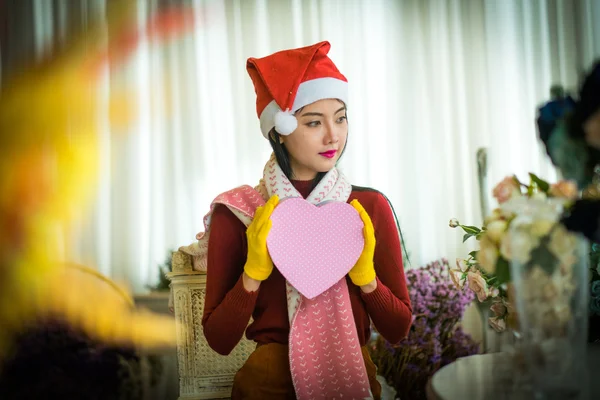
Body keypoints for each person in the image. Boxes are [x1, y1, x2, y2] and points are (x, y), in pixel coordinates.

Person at [200, 41, 412, 400]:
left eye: (340, 118)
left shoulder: (368, 207)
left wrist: (367, 280)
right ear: (279, 129)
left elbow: (398, 328)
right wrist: (251, 276)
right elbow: (219, 340)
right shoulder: (238, 211)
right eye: (314, 122)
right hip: (267, 384)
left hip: (354, 376)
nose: (334, 136)